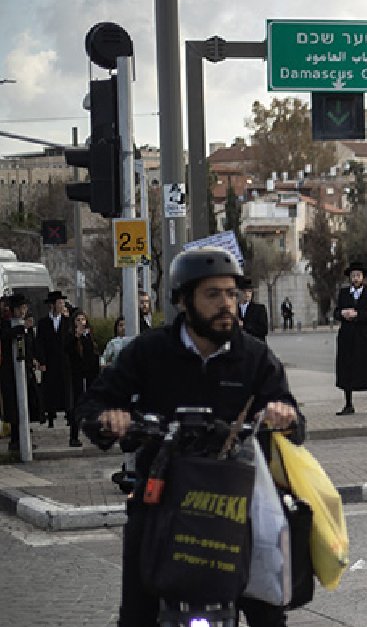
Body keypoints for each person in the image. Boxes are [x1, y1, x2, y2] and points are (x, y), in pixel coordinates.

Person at [77, 247, 301, 627]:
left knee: (267, 611)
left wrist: (285, 416)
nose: (226, 304)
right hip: (163, 495)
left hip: (233, 501)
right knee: (137, 608)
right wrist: (108, 418)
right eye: (213, 294)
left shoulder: (254, 356)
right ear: (184, 300)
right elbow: (93, 403)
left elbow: (293, 418)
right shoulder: (149, 351)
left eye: (231, 294)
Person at [334, 261, 367, 415]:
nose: (355, 278)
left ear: (363, 278)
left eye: (358, 275)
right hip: (347, 338)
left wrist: (357, 315)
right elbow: (336, 312)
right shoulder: (343, 293)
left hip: (365, 339)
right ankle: (348, 404)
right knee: (346, 369)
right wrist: (342, 314)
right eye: (353, 275)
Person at [1, 294, 41, 454]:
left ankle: (25, 437)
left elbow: (29, 346)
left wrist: (33, 361)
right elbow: (5, 337)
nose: (23, 311)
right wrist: (19, 329)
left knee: (26, 404)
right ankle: (15, 440)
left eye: (25, 308)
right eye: (20, 308)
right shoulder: (5, 324)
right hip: (8, 372)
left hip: (25, 371)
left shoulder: (27, 326)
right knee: (13, 406)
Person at [35, 290, 73, 431]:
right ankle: (50, 416)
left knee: (67, 388)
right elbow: (39, 343)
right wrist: (42, 361)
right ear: (52, 305)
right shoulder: (43, 323)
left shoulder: (67, 321)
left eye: (63, 303)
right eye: (59, 303)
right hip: (50, 361)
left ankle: (69, 414)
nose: (62, 305)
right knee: (50, 388)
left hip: (65, 360)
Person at [65, 310, 99, 447]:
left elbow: (93, 355)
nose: (81, 322)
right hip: (77, 376)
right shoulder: (71, 337)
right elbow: (67, 350)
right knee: (77, 407)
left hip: (90, 375)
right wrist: (76, 336)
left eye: (83, 319)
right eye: (78, 320)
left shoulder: (88, 336)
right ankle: (74, 436)